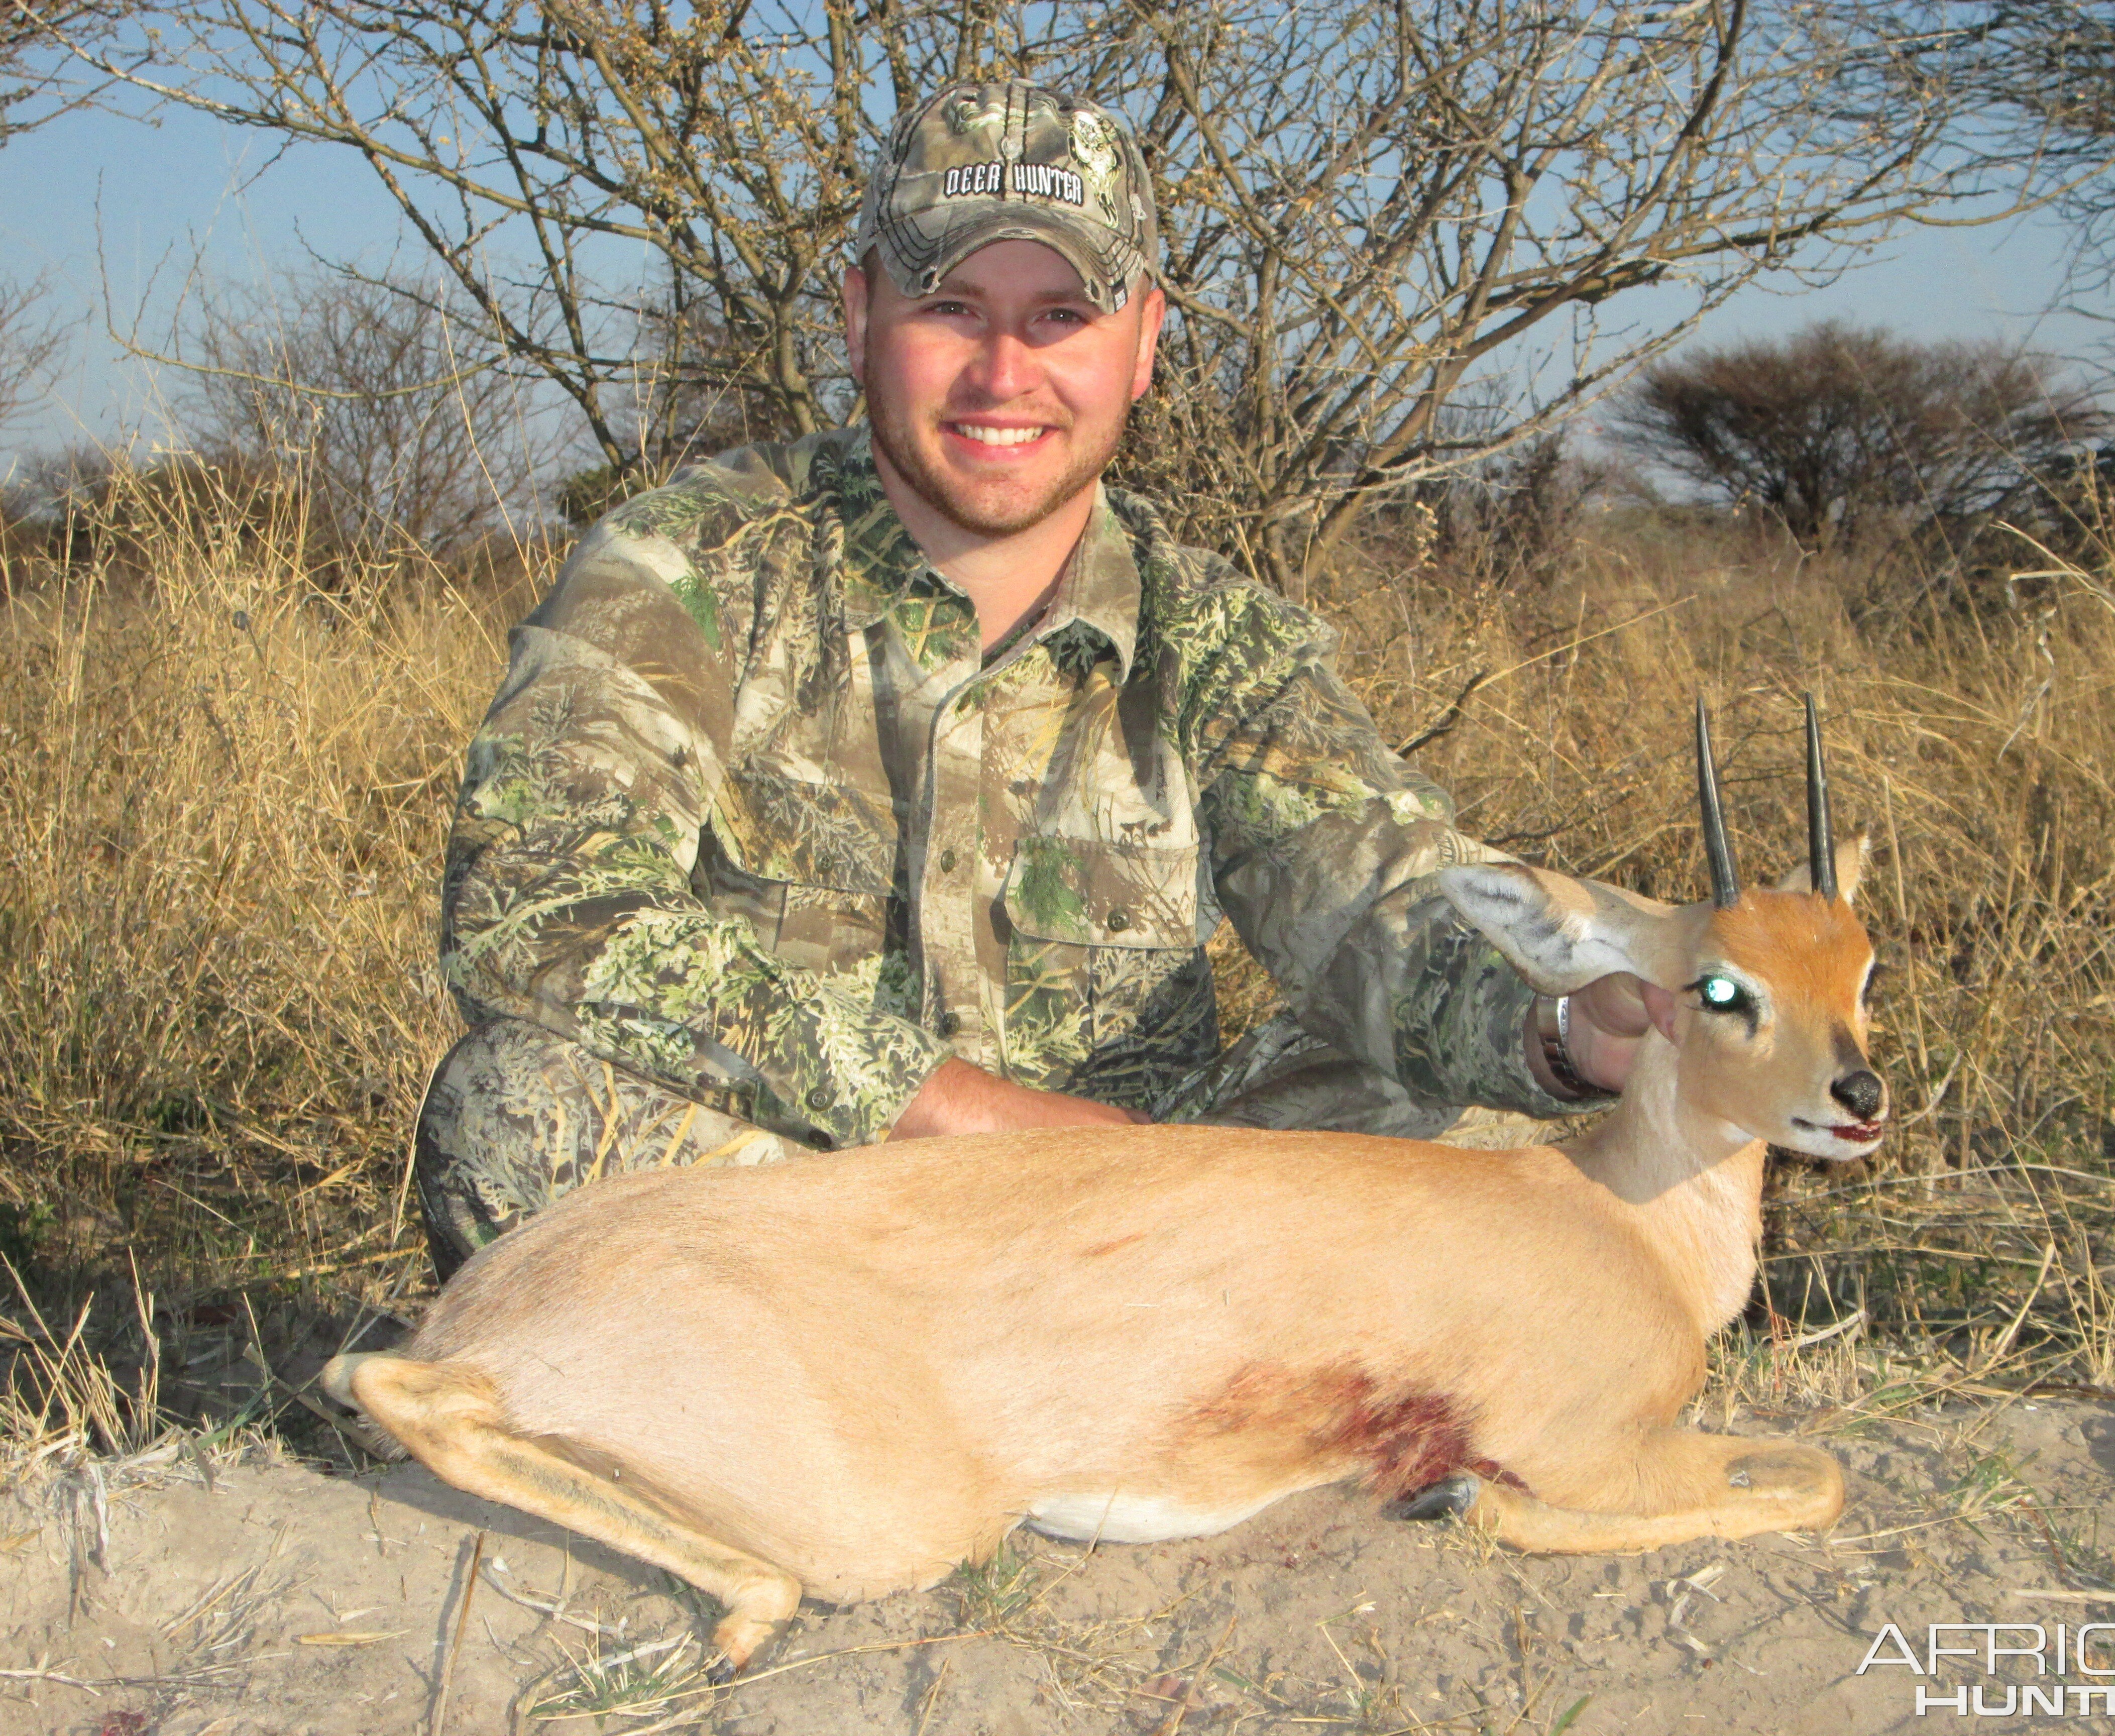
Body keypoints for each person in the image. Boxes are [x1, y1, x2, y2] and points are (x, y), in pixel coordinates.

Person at [411, 79, 1660, 1281]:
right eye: (951, 305)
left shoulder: (1217, 638)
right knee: (517, 1112)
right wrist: (957, 1119)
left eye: (1061, 316)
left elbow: (1380, 903)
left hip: (1136, 1237)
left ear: (1143, 345)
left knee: (1469, 1122)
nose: (1003, 374)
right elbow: (536, 905)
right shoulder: (685, 566)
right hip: (803, 1228)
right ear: (858, 319)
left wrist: (1563, 1024)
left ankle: (1122, 1418)